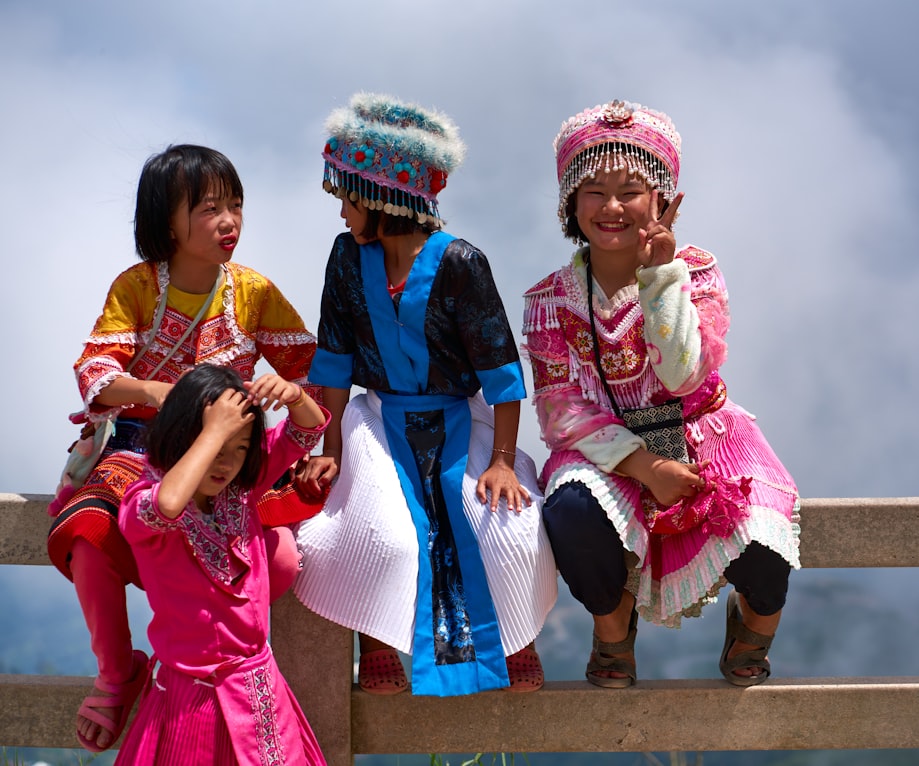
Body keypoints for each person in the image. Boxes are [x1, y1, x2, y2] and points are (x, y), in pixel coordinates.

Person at [48, 144, 320, 753]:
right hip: (143, 450)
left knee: (279, 562)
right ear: (164, 219)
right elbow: (94, 372)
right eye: (208, 208)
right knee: (90, 531)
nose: (229, 221)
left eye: (236, 205)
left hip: (232, 457)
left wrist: (300, 418)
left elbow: (310, 367)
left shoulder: (254, 291)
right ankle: (120, 673)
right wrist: (160, 393)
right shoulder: (137, 286)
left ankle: (226, 660)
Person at [523, 99, 800, 688]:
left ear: (663, 200)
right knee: (571, 513)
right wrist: (645, 466)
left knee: (763, 540)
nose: (612, 207)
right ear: (571, 202)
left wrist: (661, 278)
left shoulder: (694, 272)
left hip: (705, 432)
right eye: (593, 190)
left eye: (631, 189)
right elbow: (558, 409)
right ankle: (612, 626)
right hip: (606, 447)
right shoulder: (549, 299)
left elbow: (684, 377)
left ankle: (755, 622)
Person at [293, 93, 558, 697]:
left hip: (464, 420)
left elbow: (501, 372)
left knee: (505, 526)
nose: (341, 214)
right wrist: (329, 444)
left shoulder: (463, 263)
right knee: (374, 530)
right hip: (379, 420)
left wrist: (499, 462)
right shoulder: (345, 259)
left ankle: (514, 641)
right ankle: (378, 640)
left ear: (381, 197)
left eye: (347, 198)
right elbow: (333, 360)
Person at [114, 365, 329, 764]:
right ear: (180, 436)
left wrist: (294, 397)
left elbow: (307, 430)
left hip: (260, 690)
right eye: (215, 445)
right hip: (190, 700)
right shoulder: (140, 503)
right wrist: (215, 431)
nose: (225, 462)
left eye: (240, 449)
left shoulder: (240, 491)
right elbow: (167, 505)